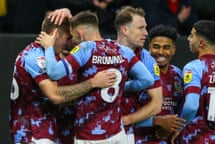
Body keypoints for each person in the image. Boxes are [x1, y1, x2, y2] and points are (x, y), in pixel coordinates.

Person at [36, 10, 154, 143]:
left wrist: (48, 48)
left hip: (89, 134)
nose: (72, 41)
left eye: (73, 36)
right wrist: (122, 86)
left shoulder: (86, 48)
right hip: (117, 133)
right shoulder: (123, 50)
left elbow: (53, 72)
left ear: (80, 34)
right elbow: (148, 80)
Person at [9, 13, 116, 144]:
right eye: (68, 37)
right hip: (35, 132)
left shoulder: (60, 57)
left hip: (63, 131)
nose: (71, 41)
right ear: (54, 34)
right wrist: (92, 83)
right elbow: (55, 95)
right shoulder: (34, 57)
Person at [171, 20, 215, 144]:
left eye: (191, 35)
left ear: (201, 43)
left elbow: (191, 106)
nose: (188, 39)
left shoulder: (194, 67)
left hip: (194, 138)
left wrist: (178, 128)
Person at [114, 6, 163, 142]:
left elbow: (157, 103)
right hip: (96, 130)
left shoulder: (147, 59)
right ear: (125, 30)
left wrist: (127, 119)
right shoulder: (102, 51)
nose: (146, 33)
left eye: (145, 28)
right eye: (141, 28)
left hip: (126, 132)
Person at [134, 24, 186, 143]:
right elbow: (126, 116)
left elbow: (182, 110)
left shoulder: (179, 74)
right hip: (140, 139)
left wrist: (171, 127)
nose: (161, 52)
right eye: (156, 47)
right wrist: (159, 122)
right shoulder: (138, 73)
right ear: (149, 48)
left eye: (166, 47)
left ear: (173, 50)